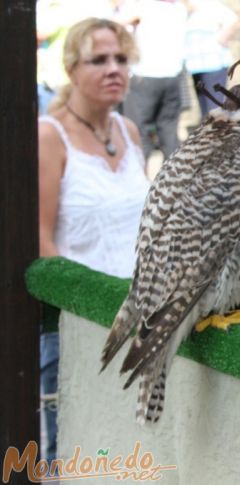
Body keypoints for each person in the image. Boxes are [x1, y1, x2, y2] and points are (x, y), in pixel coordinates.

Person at [37, 17, 151, 463]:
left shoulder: (129, 131)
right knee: (71, 452)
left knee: (130, 453)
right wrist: (91, 307)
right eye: (99, 60)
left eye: (122, 59)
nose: (114, 69)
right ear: (71, 69)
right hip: (76, 323)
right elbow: (41, 242)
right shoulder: (49, 136)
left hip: (140, 320)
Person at [119, 0, 188, 160]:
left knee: (137, 132)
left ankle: (138, 179)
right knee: (169, 133)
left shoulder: (141, 6)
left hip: (144, 75)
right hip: (172, 75)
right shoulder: (179, 8)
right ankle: (174, 180)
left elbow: (111, 25)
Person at [185, 0, 240, 117]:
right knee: (204, 107)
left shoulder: (210, 5)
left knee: (214, 106)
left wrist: (221, 38)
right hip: (197, 66)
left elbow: (233, 19)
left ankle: (219, 133)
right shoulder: (189, 11)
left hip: (214, 64)